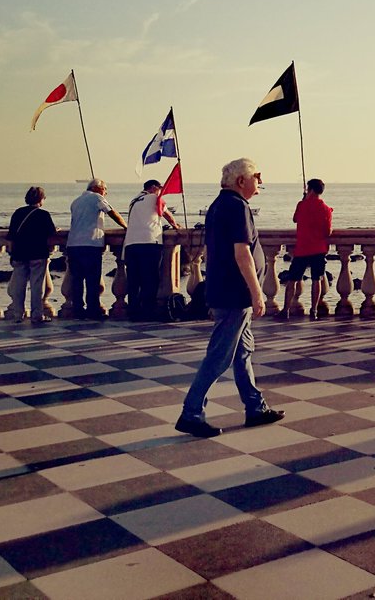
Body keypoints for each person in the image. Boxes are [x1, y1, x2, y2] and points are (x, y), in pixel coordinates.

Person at [176, 158, 283, 438]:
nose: (260, 182)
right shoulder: (236, 206)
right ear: (241, 181)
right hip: (234, 295)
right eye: (257, 177)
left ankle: (255, 407)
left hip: (226, 291)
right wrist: (256, 292)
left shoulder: (218, 205)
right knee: (219, 356)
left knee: (242, 353)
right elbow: (242, 254)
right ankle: (191, 413)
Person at [66, 178, 127, 319]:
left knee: (77, 281)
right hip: (90, 244)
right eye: (105, 189)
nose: (106, 192)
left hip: (73, 244)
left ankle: (78, 310)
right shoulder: (97, 198)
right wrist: (126, 226)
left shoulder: (76, 202)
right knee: (92, 280)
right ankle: (93, 310)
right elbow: (111, 212)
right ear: (97, 188)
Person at [123, 179, 180, 321]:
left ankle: (133, 311)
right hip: (149, 242)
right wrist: (174, 225)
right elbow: (166, 214)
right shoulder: (155, 197)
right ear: (154, 188)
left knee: (134, 280)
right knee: (150, 279)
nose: (161, 191)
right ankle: (148, 311)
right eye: (160, 188)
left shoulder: (134, 200)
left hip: (131, 244)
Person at [6, 186, 57, 324]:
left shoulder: (18, 213)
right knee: (36, 286)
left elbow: (11, 234)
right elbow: (52, 233)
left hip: (20, 253)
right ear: (41, 199)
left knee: (19, 285)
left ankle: (18, 315)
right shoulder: (43, 215)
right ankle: (37, 315)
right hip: (37, 253)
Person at [284, 178, 332, 319]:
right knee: (316, 280)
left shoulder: (302, 205)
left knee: (292, 279)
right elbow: (327, 232)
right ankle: (314, 310)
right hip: (318, 249)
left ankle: (286, 310)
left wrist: (304, 200)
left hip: (302, 249)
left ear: (310, 189)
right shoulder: (325, 209)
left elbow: (295, 219)